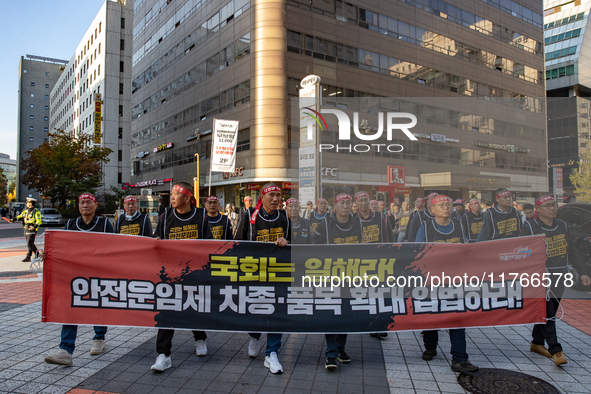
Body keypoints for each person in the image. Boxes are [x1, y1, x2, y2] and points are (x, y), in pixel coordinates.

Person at [520, 195, 591, 366]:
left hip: (560, 275)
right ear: (538, 209)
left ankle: (537, 342)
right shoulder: (530, 226)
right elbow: (521, 251)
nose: (552, 208)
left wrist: (582, 272)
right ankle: (556, 350)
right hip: (539, 277)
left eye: (554, 205)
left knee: (550, 310)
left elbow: (572, 250)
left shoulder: (562, 225)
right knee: (548, 312)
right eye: (548, 206)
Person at [44, 193, 113, 365]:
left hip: (99, 274)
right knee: (71, 308)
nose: (85, 206)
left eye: (89, 202)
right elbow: (61, 246)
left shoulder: (104, 224)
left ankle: (99, 338)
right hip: (75, 275)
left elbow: (116, 246)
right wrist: (47, 253)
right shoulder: (70, 224)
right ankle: (65, 350)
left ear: (95, 205)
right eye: (82, 203)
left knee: (99, 306)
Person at [415, 194, 478, 373]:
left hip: (455, 280)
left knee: (457, 318)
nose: (446, 207)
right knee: (431, 315)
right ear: (431, 209)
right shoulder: (425, 228)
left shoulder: (459, 225)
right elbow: (419, 253)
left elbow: (467, 250)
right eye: (441, 205)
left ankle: (459, 358)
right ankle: (430, 346)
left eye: (448, 204)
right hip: (432, 280)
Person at [151, 182, 209, 372]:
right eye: (172, 194)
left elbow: (210, 244)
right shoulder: (165, 216)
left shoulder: (201, 216)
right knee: (167, 312)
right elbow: (157, 240)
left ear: (188, 198)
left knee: (193, 308)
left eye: (177, 194)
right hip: (170, 274)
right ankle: (163, 355)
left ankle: (200, 339)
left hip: (195, 273)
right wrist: (157, 242)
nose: (173, 197)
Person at [235, 183, 290, 374]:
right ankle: (254, 336)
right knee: (255, 310)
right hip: (254, 273)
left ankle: (272, 353)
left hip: (278, 272)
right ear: (262, 197)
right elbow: (238, 243)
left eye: (278, 195)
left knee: (277, 311)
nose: (275, 199)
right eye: (271, 195)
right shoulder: (250, 216)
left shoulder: (284, 217)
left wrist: (287, 241)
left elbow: (295, 242)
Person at [313, 193, 360, 370]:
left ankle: (341, 349)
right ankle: (331, 353)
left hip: (351, 277)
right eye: (342, 203)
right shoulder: (324, 224)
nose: (346, 206)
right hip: (329, 277)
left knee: (346, 313)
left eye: (348, 203)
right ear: (335, 206)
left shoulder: (358, 224)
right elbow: (312, 247)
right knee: (331, 314)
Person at [354, 191, 391, 339]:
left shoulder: (380, 217)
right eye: (360, 201)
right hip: (359, 261)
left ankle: (378, 325)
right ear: (355, 204)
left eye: (366, 200)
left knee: (378, 294)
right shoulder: (353, 219)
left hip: (378, 260)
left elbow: (386, 236)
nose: (363, 203)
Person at [12, 197, 42, 262]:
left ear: (31, 203)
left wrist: (34, 226)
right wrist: (13, 219)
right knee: (31, 243)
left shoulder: (36, 211)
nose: (26, 203)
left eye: (28, 202)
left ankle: (28, 257)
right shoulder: (25, 211)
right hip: (26, 228)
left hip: (32, 229)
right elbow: (20, 216)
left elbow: (39, 221)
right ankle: (37, 254)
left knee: (29, 244)